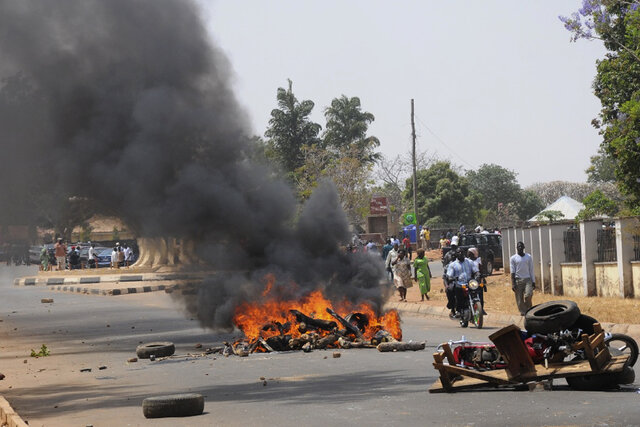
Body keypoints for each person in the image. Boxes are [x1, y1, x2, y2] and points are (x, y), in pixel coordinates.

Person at [446, 247, 480, 327]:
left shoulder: (470, 262)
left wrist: (477, 274)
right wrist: (452, 278)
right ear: (456, 254)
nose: (460, 254)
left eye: (462, 252)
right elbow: (449, 276)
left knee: (480, 288)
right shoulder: (453, 265)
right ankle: (458, 310)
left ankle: (480, 307)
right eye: (458, 252)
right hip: (459, 284)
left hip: (469, 283)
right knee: (457, 289)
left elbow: (476, 270)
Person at [510, 241, 536, 316]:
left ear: (524, 247)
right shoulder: (513, 258)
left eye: (521, 246)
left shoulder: (528, 257)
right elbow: (512, 271)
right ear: (517, 248)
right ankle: (524, 312)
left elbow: (531, 269)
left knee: (528, 295)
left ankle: (528, 309)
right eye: (519, 246)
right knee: (519, 300)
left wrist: (533, 281)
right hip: (518, 280)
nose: (520, 248)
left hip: (528, 279)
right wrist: (513, 283)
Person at [467, 247, 487, 314]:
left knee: (480, 293)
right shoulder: (466, 261)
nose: (468, 254)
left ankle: (481, 309)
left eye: (469, 253)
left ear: (473, 253)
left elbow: (481, 270)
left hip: (477, 280)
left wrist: (483, 278)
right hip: (469, 280)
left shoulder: (478, 260)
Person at [442, 243, 459, 317]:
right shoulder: (449, 265)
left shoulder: (465, 262)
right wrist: (446, 285)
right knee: (450, 290)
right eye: (453, 256)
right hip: (453, 282)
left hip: (463, 282)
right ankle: (452, 308)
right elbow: (445, 276)